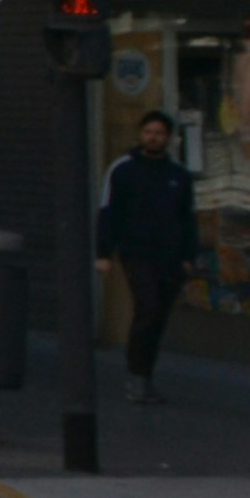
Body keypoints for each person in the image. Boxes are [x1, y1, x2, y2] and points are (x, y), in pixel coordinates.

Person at [98, 110, 201, 400]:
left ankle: (145, 374)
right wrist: (104, 252)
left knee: (158, 317)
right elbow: (108, 212)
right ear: (140, 135)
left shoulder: (178, 175)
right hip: (136, 252)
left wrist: (189, 255)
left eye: (159, 133)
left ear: (168, 138)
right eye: (148, 132)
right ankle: (136, 374)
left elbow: (187, 218)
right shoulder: (123, 169)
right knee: (148, 308)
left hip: (170, 256)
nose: (153, 137)